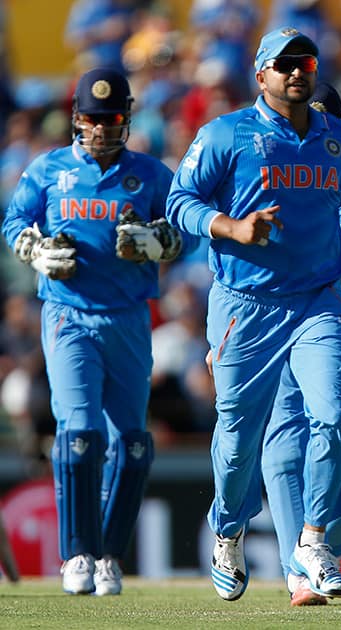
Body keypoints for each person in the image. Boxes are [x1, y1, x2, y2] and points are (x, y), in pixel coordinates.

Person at [166, 27, 341, 602]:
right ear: (261, 75)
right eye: (284, 65)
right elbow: (179, 202)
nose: (297, 72)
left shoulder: (336, 136)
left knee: (336, 412)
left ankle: (311, 540)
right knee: (237, 440)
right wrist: (233, 228)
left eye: (305, 62)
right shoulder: (225, 134)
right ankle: (228, 530)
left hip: (317, 300)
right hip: (245, 306)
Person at [2, 67, 193, 595]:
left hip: (129, 318)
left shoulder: (151, 174)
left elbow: (185, 232)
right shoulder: (49, 170)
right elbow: (13, 222)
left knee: (131, 443)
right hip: (68, 315)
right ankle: (76, 555)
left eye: (112, 119)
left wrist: (159, 243)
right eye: (93, 118)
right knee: (80, 434)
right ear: (76, 119)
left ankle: (109, 554)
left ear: (126, 118)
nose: (103, 128)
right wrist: (37, 251)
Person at [258, 82, 341, 606]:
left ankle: (329, 541)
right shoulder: (268, 168)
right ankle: (300, 568)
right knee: (286, 446)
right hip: (282, 317)